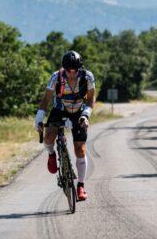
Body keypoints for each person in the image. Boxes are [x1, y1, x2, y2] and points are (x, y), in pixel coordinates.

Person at [35, 50, 95, 201]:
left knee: (80, 149)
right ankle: (51, 154)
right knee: (49, 137)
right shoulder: (55, 77)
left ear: (80, 68)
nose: (72, 74)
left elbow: (91, 99)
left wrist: (86, 115)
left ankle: (80, 185)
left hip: (79, 112)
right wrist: (39, 118)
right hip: (59, 110)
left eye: (75, 71)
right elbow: (46, 100)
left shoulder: (87, 77)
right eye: (69, 71)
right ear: (64, 69)